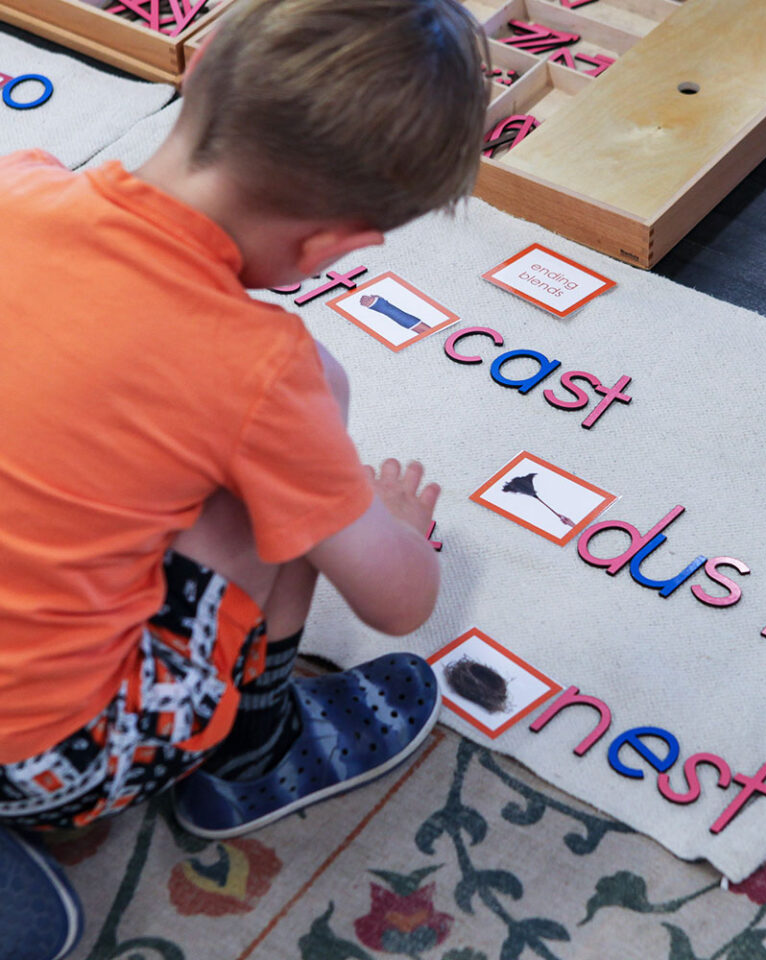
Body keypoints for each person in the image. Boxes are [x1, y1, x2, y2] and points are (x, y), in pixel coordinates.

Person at [0, 1, 487, 957]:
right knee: (294, 458)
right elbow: (397, 601)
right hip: (42, 749)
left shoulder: (21, 186)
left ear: (202, 57)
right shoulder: (257, 366)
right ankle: (254, 751)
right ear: (330, 250)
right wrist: (384, 517)